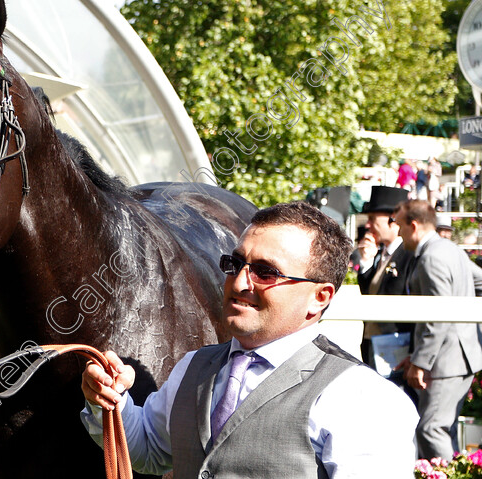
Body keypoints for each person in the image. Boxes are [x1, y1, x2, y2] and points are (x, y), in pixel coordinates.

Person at [80, 201, 417, 478]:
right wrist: (110, 400)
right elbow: (151, 451)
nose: (239, 282)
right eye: (235, 263)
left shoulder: (363, 398)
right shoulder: (192, 367)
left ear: (320, 297)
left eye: (265, 272)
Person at [394, 199, 482, 460]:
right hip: (457, 357)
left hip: (446, 361)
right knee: (444, 429)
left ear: (413, 226)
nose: (398, 233)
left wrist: (421, 361)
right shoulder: (450, 249)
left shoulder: (432, 256)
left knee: (431, 429)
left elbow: (438, 317)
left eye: (399, 226)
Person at [356, 186, 416, 367]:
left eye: (373, 219)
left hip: (396, 346)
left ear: (393, 221)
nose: (368, 225)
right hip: (373, 342)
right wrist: (366, 262)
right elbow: (369, 292)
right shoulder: (381, 254)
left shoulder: (408, 254)